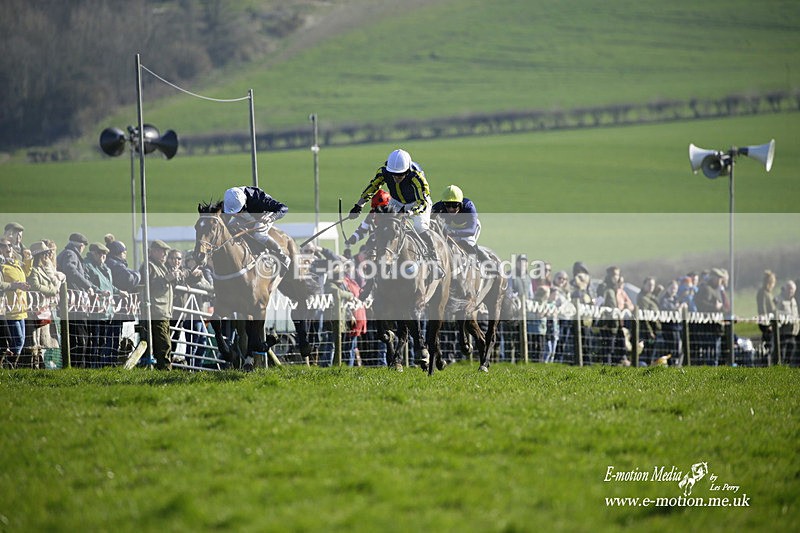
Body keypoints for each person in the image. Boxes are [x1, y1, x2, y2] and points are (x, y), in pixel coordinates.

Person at [348, 148, 442, 278]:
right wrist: (359, 205)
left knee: (419, 227)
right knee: (386, 227)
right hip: (396, 202)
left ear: (407, 171)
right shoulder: (384, 172)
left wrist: (410, 212)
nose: (396, 177)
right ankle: (378, 258)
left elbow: (423, 201)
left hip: (417, 204)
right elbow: (373, 187)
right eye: (394, 174)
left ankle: (434, 261)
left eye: (400, 175)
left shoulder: (417, 177)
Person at [222, 186, 291, 273]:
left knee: (259, 235)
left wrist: (271, 217)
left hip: (263, 216)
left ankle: (281, 255)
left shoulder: (258, 197)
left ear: (244, 202)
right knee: (229, 228)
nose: (236, 214)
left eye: (239, 210)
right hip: (246, 217)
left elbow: (284, 208)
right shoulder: (230, 201)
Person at [56, 232, 97, 367]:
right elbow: (71, 269)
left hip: (72, 303)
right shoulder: (71, 254)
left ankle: (74, 368)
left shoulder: (67, 253)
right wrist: (87, 285)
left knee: (76, 339)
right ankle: (77, 368)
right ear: (80, 246)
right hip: (75, 304)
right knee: (80, 340)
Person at [26, 240, 64, 367]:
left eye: (47, 254)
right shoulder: (34, 270)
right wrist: (52, 291)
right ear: (38, 256)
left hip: (44, 311)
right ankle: (33, 366)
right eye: (44, 254)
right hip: (35, 312)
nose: (47, 257)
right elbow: (35, 286)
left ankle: (40, 366)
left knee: (42, 341)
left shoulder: (42, 269)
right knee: (34, 341)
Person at [432, 185, 491, 264]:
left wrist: (452, 232)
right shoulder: (439, 206)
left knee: (469, 244)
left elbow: (471, 231)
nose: (451, 209)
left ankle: (487, 264)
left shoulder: (469, 207)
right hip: (450, 228)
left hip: (467, 229)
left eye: (455, 205)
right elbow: (427, 218)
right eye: (448, 205)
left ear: (460, 204)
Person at [139, 240, 175, 369]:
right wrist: (166, 279)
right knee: (163, 345)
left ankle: (163, 371)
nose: (165, 254)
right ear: (153, 251)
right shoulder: (149, 266)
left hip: (163, 311)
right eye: (162, 251)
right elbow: (148, 286)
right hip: (155, 312)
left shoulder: (160, 266)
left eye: (166, 252)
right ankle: (164, 373)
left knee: (165, 344)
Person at [84, 242, 117, 366]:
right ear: (93, 253)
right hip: (94, 309)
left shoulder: (106, 268)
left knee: (103, 340)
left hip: (106, 310)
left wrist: (119, 292)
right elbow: (87, 282)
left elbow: (110, 286)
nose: (102, 256)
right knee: (94, 340)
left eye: (104, 254)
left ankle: (99, 365)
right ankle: (91, 366)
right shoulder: (87, 266)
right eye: (100, 253)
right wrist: (98, 291)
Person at [1, 236, 29, 365]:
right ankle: (10, 367)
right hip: (9, 308)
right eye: (4, 246)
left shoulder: (15, 264)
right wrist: (15, 285)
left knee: (20, 341)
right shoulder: (3, 266)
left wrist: (28, 260)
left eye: (10, 246)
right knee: (16, 341)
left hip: (21, 307)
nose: (8, 248)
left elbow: (26, 274)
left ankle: (10, 367)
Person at [775, 281, 799, 364]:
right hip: (783, 332)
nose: (790, 291)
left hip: (793, 331)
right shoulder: (780, 299)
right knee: (781, 352)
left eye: (792, 290)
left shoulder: (794, 300)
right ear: (785, 289)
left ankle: (786, 367)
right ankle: (780, 368)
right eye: (789, 289)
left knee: (791, 349)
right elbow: (776, 313)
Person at [756, 270, 777, 355]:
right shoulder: (763, 293)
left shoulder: (769, 293)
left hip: (771, 323)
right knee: (768, 347)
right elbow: (762, 309)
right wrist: (767, 324)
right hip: (766, 325)